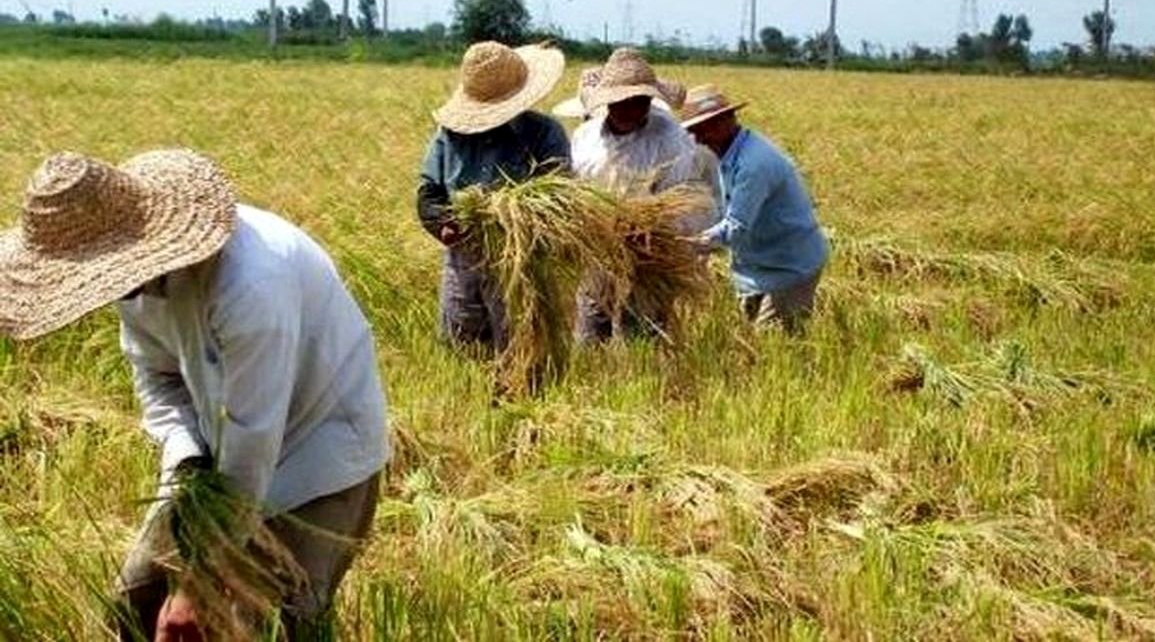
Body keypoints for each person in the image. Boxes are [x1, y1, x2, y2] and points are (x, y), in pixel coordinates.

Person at [0, 149, 390, 640]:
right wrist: (188, 464)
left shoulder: (251, 284)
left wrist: (198, 584)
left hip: (316, 456)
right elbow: (158, 379)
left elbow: (251, 444)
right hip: (215, 459)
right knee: (135, 603)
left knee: (266, 624)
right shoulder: (133, 286)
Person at [417, 40, 570, 351]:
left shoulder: (544, 134)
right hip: (464, 258)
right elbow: (429, 192)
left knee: (521, 350)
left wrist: (511, 220)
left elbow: (558, 195)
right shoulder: (449, 135)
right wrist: (442, 224)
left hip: (522, 263)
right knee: (462, 347)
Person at [569, 48, 720, 342]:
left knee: (640, 334)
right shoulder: (585, 138)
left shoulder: (671, 140)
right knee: (590, 330)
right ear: (607, 101)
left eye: (640, 101)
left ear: (651, 100)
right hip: (599, 249)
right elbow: (576, 189)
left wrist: (646, 229)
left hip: (651, 254)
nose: (631, 108)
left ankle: (641, 367)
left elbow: (681, 201)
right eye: (622, 101)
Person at [680, 84, 829, 332]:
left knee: (774, 344)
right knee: (755, 338)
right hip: (756, 266)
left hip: (788, 266)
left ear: (730, 119)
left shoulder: (753, 164)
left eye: (711, 125)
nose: (702, 135)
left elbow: (736, 227)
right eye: (697, 129)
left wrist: (686, 245)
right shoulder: (726, 153)